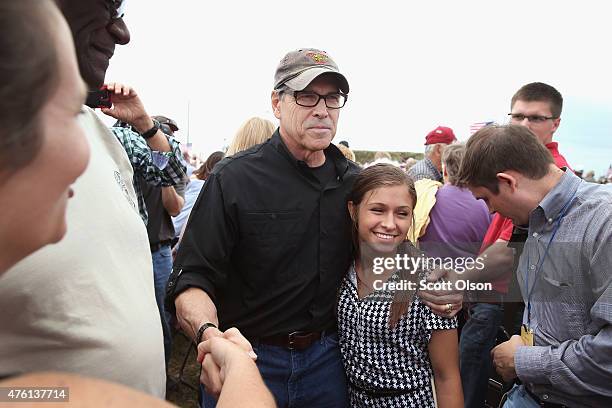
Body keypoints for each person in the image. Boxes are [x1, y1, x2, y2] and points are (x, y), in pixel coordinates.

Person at [167, 47, 358, 407]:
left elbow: (388, 256)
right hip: (250, 358)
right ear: (277, 102)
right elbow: (192, 279)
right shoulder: (233, 178)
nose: (322, 109)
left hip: (328, 361)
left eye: (332, 98)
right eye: (306, 96)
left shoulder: (354, 184)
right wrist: (213, 339)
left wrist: (439, 290)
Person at [0, 0, 170, 397]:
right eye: (58, 111)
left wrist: (146, 126)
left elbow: (170, 173)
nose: (122, 33)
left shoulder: (112, 135)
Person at [457, 124, 612, 408]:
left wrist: (523, 360)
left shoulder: (604, 222)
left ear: (508, 182)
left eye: (487, 199)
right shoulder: (535, 221)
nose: (491, 211)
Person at [337, 164, 463, 407]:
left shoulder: (430, 280)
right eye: (377, 210)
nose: (389, 223)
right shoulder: (342, 266)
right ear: (354, 210)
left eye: (402, 213)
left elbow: (447, 376)